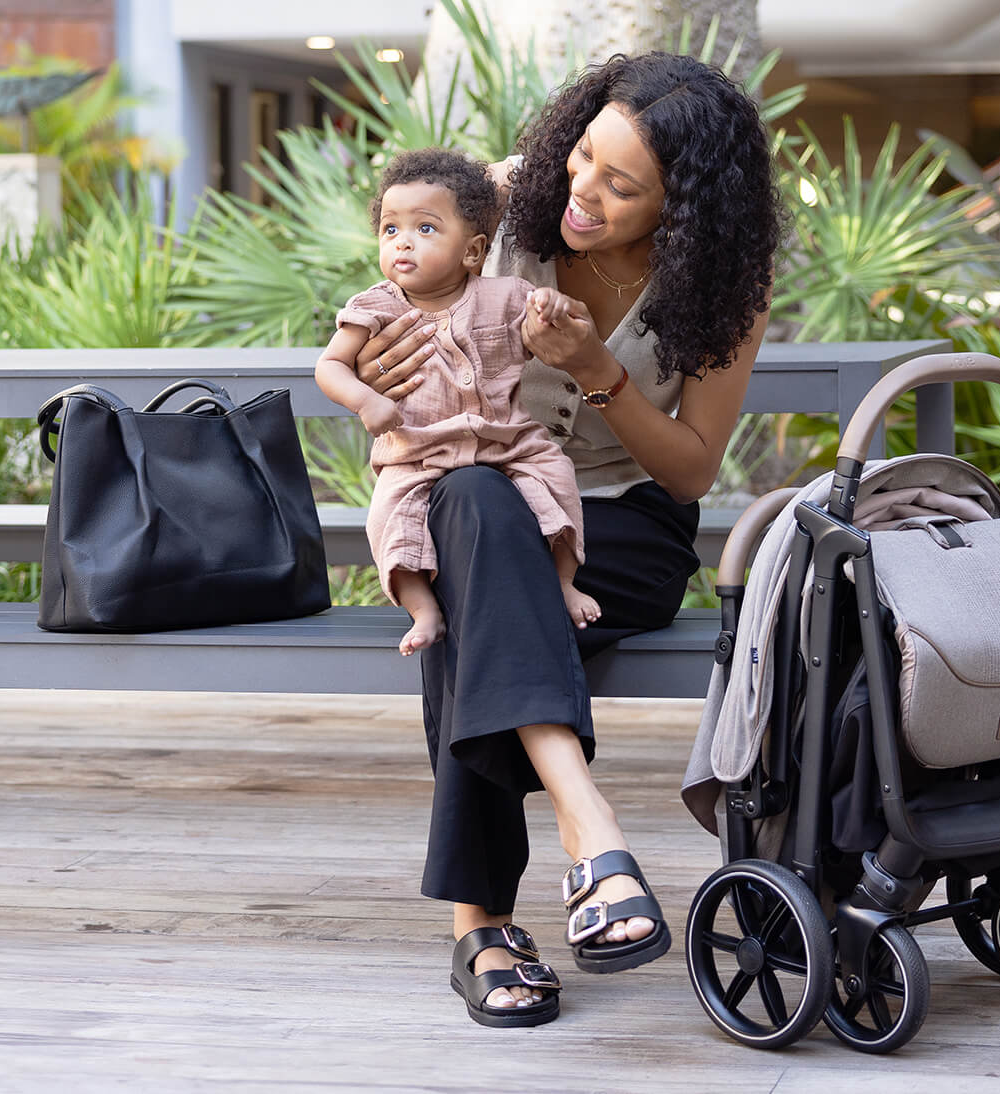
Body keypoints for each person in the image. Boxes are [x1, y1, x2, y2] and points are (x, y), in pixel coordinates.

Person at [351, 52, 780, 1028]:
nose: (583, 192)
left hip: (623, 522)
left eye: (621, 185)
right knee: (472, 503)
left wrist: (598, 369)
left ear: (685, 208)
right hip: (474, 488)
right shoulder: (497, 207)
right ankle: (592, 827)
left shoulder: (719, 284)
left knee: (474, 599)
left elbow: (690, 470)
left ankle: (483, 929)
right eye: (583, 155)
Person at [315, 148, 600, 657]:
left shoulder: (506, 295)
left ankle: (562, 580)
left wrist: (554, 308)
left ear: (473, 252)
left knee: (555, 478)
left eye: (425, 228)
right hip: (416, 453)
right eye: (390, 229)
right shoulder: (373, 307)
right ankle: (422, 607)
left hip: (507, 444)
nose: (403, 241)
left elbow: (554, 326)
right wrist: (364, 401)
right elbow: (330, 367)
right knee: (389, 517)